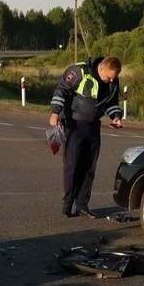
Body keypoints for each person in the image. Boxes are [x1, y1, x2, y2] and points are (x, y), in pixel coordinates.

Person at [48, 55, 123, 218]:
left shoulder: (112, 82)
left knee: (89, 167)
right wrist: (55, 112)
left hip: (93, 127)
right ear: (102, 68)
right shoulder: (79, 72)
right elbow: (61, 89)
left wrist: (115, 116)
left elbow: (111, 102)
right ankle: (67, 203)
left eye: (114, 78)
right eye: (110, 77)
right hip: (74, 125)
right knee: (72, 165)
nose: (111, 81)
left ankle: (82, 205)